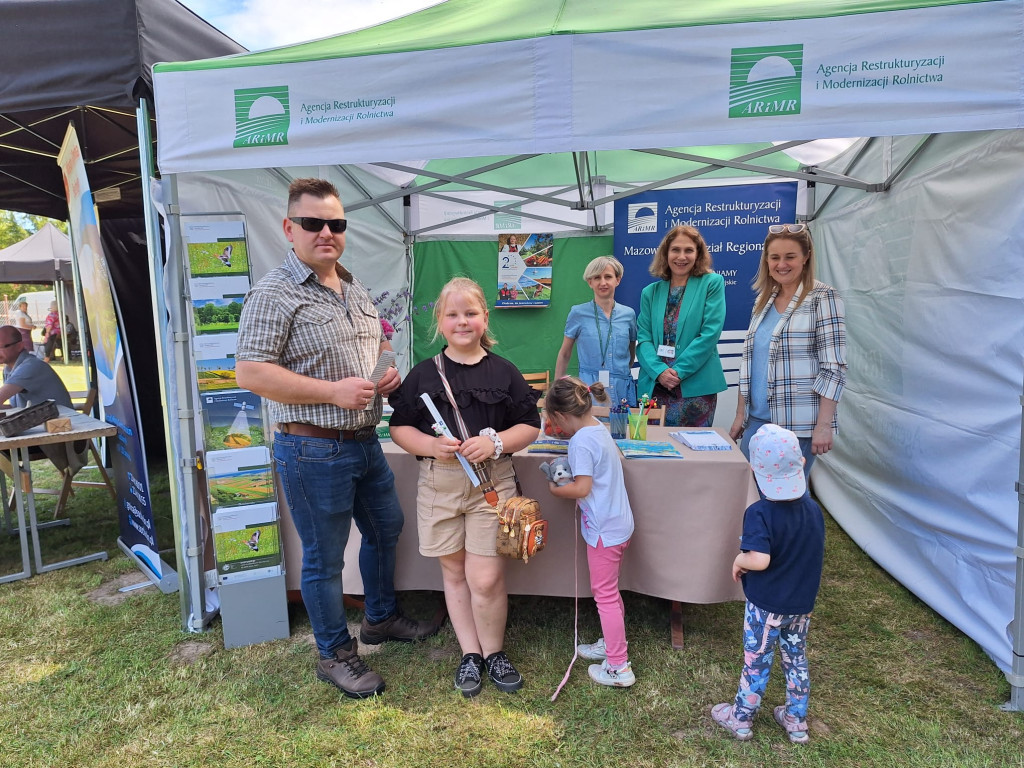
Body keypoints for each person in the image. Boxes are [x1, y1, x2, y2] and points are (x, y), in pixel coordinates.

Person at [235, 178, 435, 701]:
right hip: (311, 445)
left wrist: (385, 375)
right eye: (313, 223)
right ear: (289, 228)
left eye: (336, 223)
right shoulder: (273, 293)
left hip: (364, 440)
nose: (326, 232)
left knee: (386, 527)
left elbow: (378, 347)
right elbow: (250, 372)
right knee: (324, 557)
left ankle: (379, 618)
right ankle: (334, 653)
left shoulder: (354, 287)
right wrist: (330, 390)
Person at [388, 277, 540, 698]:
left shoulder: (504, 371)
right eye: (452, 314)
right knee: (454, 573)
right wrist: (431, 445)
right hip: (440, 484)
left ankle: (494, 653)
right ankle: (469, 654)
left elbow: (530, 425)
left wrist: (495, 441)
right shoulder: (422, 374)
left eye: (470, 313)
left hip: (492, 484)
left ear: (484, 318)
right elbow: (399, 427)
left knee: (487, 577)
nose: (462, 321)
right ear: (440, 321)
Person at [711, 424, 825, 745]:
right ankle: (796, 720)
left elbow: (759, 560)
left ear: (754, 470)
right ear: (801, 464)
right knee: (796, 659)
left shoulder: (759, 513)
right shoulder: (814, 511)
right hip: (801, 605)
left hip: (766, 606)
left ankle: (741, 719)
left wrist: (739, 560)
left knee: (757, 660)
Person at [728, 223, 847, 475]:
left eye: (790, 256)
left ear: (806, 257)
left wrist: (824, 425)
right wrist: (740, 414)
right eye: (775, 257)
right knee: (748, 496)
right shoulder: (763, 300)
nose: (782, 264)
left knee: (783, 501)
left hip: (797, 425)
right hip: (757, 422)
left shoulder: (823, 297)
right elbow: (749, 364)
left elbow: (834, 367)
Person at [544, 376, 635, 688]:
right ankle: (612, 647)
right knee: (610, 591)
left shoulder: (581, 440)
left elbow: (581, 487)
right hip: (617, 523)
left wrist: (556, 489)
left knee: (605, 595)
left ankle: (619, 666)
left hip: (603, 530)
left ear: (559, 417)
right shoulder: (597, 427)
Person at [636, 225, 727, 427]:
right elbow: (644, 339)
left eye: (689, 250)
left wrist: (678, 372)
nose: (681, 256)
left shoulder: (712, 283)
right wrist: (659, 371)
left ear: (698, 254)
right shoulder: (649, 292)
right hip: (655, 387)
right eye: (675, 250)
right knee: (654, 453)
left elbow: (709, 334)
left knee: (692, 455)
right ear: (666, 253)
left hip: (696, 389)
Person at [554, 256, 638, 407]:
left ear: (617, 280)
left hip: (622, 393)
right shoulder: (578, 313)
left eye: (608, 276)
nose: (603, 282)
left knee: (624, 430)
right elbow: (565, 353)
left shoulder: (629, 314)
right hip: (590, 393)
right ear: (590, 282)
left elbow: (631, 353)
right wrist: (557, 390)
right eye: (597, 277)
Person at [0, 324, 73, 408]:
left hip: (61, 420)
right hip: (41, 419)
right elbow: (15, 408)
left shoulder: (31, 367)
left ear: (19, 346)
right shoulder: (8, 369)